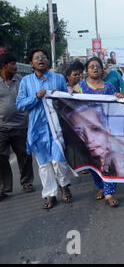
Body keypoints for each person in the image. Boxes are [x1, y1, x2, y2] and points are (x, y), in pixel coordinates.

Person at [16, 48, 72, 209]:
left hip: (56, 128)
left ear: (48, 61)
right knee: (44, 164)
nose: (40, 59)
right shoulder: (26, 82)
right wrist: (36, 97)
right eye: (36, 58)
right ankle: (50, 194)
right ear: (31, 63)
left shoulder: (58, 78)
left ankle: (64, 184)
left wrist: (57, 97)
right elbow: (20, 104)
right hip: (37, 130)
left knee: (59, 160)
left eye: (43, 57)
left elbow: (68, 102)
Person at [73, 57, 123, 207]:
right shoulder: (79, 87)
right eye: (91, 66)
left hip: (107, 129)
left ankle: (108, 192)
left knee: (107, 161)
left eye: (97, 66)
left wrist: (118, 98)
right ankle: (101, 186)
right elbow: (70, 104)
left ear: (102, 69)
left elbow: (116, 106)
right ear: (86, 70)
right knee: (93, 162)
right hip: (87, 131)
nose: (95, 68)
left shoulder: (109, 87)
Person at [0, 53, 34, 201]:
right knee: (1, 157)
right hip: (2, 127)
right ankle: (3, 188)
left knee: (24, 155)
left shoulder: (21, 82)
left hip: (21, 125)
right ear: (4, 66)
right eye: (12, 63)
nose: (15, 66)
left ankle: (27, 182)